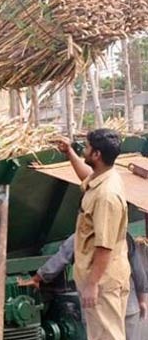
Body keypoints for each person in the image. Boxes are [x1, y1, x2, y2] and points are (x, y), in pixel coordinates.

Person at [55, 129, 130, 340]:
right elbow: (87, 177)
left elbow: (104, 246)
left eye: (86, 147)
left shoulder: (106, 196)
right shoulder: (104, 178)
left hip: (104, 280)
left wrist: (93, 284)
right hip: (105, 277)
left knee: (107, 336)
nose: (84, 150)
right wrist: (69, 152)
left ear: (96, 154)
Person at [20, 233, 147, 339]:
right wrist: (142, 300)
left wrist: (38, 278)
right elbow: (138, 270)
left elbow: (60, 259)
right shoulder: (123, 235)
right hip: (127, 305)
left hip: (97, 308)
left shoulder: (80, 236)